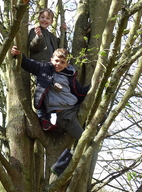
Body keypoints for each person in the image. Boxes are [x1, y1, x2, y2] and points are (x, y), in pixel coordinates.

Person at [11, 46, 89, 183]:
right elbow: (28, 64)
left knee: (93, 124)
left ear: (67, 64)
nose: (58, 64)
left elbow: (80, 92)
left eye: (62, 62)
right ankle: (60, 167)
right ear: (51, 59)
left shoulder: (69, 75)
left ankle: (100, 125)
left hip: (74, 107)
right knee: (85, 141)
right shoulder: (44, 69)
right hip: (64, 115)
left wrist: (94, 86)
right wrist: (18, 55)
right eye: (56, 61)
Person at [28, 8, 67, 131]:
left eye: (48, 18)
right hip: (40, 66)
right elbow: (33, 48)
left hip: (51, 68)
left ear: (51, 21)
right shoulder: (34, 31)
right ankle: (43, 118)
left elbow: (62, 48)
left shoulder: (51, 36)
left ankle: (49, 119)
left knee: (51, 92)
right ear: (38, 19)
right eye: (42, 17)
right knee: (42, 91)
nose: (45, 20)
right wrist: (38, 37)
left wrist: (63, 32)